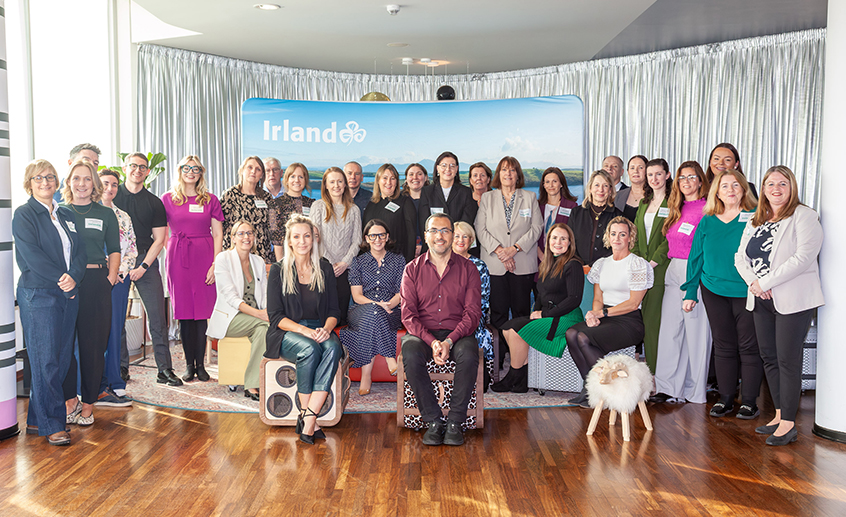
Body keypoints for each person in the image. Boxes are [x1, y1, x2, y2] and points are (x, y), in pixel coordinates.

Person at [735, 166, 824, 446]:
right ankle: (778, 414)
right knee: (769, 357)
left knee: (787, 359)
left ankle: (789, 424)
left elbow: (803, 257)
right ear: (762, 189)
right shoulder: (756, 220)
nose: (776, 189)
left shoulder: (804, 215)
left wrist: (766, 282)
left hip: (793, 298)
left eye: (782, 184)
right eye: (770, 184)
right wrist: (754, 283)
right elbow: (740, 257)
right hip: (761, 297)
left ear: (792, 187)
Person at [14, 160, 86, 445]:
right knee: (46, 361)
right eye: (38, 177)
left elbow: (80, 252)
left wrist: (74, 277)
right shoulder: (24, 215)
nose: (45, 182)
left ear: (57, 182)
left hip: (68, 293)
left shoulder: (66, 214)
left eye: (50, 177)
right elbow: (32, 257)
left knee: (60, 358)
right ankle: (53, 424)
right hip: (39, 295)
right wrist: (63, 278)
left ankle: (36, 419)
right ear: (29, 182)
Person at [682, 169, 762, 419]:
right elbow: (696, 257)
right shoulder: (707, 220)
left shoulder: (756, 217)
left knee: (749, 347)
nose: (730, 190)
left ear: (744, 190)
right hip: (713, 290)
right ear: (716, 191)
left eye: (735, 185)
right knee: (724, 346)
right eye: (724, 185)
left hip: (746, 290)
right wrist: (690, 291)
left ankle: (749, 401)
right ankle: (726, 398)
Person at [401, 213, 482, 446]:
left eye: (445, 230)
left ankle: (455, 422)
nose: (440, 236)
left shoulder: (468, 269)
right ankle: (434, 421)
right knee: (410, 352)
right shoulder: (412, 269)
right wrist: (432, 341)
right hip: (422, 332)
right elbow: (408, 315)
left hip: (458, 331)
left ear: (452, 235)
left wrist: (449, 340)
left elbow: (473, 313)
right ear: (425, 236)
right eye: (434, 230)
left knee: (468, 354)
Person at [265, 214, 343, 444]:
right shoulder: (279, 270)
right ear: (289, 241)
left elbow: (334, 310)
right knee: (309, 349)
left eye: (307, 236)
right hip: (287, 333)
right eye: (297, 236)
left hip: (320, 329)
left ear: (313, 239)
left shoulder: (325, 268)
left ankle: (308, 417)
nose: (302, 241)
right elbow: (275, 316)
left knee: (332, 348)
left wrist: (327, 330)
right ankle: (310, 419)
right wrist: (305, 331)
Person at [565, 217, 653, 408]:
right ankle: (592, 389)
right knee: (571, 333)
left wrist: (602, 314)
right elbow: (597, 298)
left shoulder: (637, 264)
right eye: (613, 234)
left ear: (630, 238)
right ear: (608, 237)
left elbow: (633, 302)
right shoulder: (602, 264)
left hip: (628, 322)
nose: (617, 238)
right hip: (605, 317)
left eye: (623, 234)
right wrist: (594, 316)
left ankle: (601, 391)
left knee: (583, 338)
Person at [60, 158, 120, 426]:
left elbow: (115, 250)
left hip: (96, 281)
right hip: (66, 283)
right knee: (63, 346)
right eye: (76, 178)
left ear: (94, 183)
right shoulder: (59, 212)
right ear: (68, 182)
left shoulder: (105, 213)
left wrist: (108, 279)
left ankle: (88, 405)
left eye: (87, 178)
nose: (81, 184)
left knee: (93, 346)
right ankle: (69, 400)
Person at [114, 153, 181, 386]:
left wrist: (143, 266)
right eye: (133, 165)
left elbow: (160, 239)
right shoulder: (112, 196)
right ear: (125, 168)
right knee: (117, 318)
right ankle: (120, 368)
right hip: (118, 261)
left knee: (157, 318)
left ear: (147, 172)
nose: (138, 170)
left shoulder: (154, 202)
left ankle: (165, 370)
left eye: (143, 167)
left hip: (146, 260)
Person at [492, 223, 584, 393]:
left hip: (567, 317)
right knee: (506, 328)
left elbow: (574, 300)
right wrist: (535, 313)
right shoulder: (548, 264)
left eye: (563, 239)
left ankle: (514, 377)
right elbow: (541, 295)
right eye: (554, 238)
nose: (558, 242)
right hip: (549, 314)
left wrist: (545, 314)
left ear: (570, 242)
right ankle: (522, 378)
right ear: (548, 242)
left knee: (515, 331)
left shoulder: (573, 264)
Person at [650, 161, 712, 405]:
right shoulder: (676, 206)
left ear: (700, 181)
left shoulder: (709, 208)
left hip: (695, 269)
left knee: (696, 332)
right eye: (682, 177)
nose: (686, 181)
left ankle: (695, 391)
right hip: (673, 268)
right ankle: (668, 388)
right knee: (670, 330)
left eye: (691, 177)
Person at [162, 155, 224, 382]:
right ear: (180, 171)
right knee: (185, 313)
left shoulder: (210, 199)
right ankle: (189, 365)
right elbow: (160, 232)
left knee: (201, 313)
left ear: (201, 172)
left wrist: (215, 263)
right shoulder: (167, 199)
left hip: (204, 257)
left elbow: (218, 233)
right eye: (187, 168)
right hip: (178, 257)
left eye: (196, 168)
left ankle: (201, 365)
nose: (191, 172)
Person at [476, 156, 543, 341]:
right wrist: (501, 252)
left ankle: (520, 359)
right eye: (504, 169)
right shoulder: (487, 198)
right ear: (498, 174)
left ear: (518, 174)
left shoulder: (530, 197)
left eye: (512, 170)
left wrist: (514, 249)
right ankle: (500, 356)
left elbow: (537, 227)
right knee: (498, 312)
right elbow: (480, 228)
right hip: (495, 265)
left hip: (522, 264)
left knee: (521, 312)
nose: (508, 173)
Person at [339, 220, 404, 395]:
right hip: (361, 309)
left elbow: (401, 292)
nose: (377, 239)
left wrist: (388, 305)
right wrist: (377, 304)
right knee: (373, 312)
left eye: (381, 235)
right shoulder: (358, 262)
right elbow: (357, 297)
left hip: (391, 309)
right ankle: (390, 358)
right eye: (373, 235)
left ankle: (366, 376)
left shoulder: (398, 261)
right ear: (367, 238)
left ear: (387, 236)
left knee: (375, 315)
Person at [207, 221, 269, 401]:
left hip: (255, 318)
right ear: (233, 238)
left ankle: (251, 384)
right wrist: (260, 315)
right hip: (230, 318)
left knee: (263, 329)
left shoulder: (258, 261)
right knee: (265, 323)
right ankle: (253, 382)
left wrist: (265, 310)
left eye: (250, 233)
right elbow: (231, 297)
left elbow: (264, 293)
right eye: (241, 233)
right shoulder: (223, 259)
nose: (246, 237)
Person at [94, 169, 137, 406]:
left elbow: (132, 249)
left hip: (119, 281)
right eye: (105, 183)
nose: (109, 188)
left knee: (114, 331)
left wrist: (119, 271)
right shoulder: (86, 212)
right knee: (94, 334)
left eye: (113, 185)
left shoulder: (123, 217)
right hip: (93, 281)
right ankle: (92, 385)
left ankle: (115, 383)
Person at [633, 158, 673, 372]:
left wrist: (653, 261)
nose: (654, 178)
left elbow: (671, 239)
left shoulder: (674, 202)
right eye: (650, 175)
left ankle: (658, 373)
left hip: (662, 269)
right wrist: (638, 262)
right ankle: (651, 371)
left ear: (667, 175)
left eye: (659, 174)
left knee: (655, 324)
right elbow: (637, 237)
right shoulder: (643, 203)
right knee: (646, 324)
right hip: (643, 270)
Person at [309, 167, 362, 326]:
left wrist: (344, 263)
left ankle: (342, 349)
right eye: (332, 182)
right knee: (322, 314)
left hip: (345, 270)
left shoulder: (353, 210)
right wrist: (330, 264)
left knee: (342, 315)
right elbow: (314, 238)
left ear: (345, 184)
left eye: (340, 181)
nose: (336, 185)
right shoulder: (317, 207)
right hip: (323, 268)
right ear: (325, 185)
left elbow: (357, 241)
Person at [451, 221, 494, 378]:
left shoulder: (479, 266)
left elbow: (483, 299)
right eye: (457, 236)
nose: (460, 240)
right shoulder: (441, 262)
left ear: (471, 241)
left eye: (465, 237)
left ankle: (477, 375)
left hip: (473, 314)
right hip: (446, 314)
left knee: (469, 326)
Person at [220, 156, 275, 264]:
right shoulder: (230, 195)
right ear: (242, 170)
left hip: (261, 255)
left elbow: (273, 228)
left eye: (258, 169)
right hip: (235, 255)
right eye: (250, 167)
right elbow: (219, 228)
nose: (253, 171)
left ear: (262, 175)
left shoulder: (267, 198)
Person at [418, 151, 477, 249]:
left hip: (458, 246)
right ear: (437, 168)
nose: (448, 169)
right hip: (435, 245)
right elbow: (424, 222)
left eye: (452, 166)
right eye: (444, 165)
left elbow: (466, 221)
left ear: (457, 169)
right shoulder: (427, 192)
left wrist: (454, 241)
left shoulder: (465, 192)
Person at [362, 163, 417, 262]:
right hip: (372, 262)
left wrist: (408, 262)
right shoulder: (371, 204)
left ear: (396, 182)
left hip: (397, 261)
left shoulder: (405, 202)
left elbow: (411, 235)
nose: (389, 182)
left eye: (393, 178)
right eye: (385, 178)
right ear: (378, 181)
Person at [568, 170, 623, 266]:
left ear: (610, 190)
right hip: (577, 268)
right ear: (590, 188)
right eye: (596, 185)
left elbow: (619, 247)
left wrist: (593, 266)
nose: (601, 190)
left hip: (606, 268)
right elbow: (569, 241)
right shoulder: (576, 213)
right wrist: (578, 265)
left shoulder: (618, 216)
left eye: (605, 186)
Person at [269, 162, 314, 261]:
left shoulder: (312, 204)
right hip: (286, 258)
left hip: (308, 258)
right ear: (287, 180)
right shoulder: (275, 204)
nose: (296, 180)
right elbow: (276, 238)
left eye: (301, 177)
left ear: (305, 180)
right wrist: (281, 265)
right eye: (292, 176)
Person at [537, 167, 578, 261]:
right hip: (540, 258)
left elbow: (573, 235)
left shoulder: (571, 206)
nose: (551, 185)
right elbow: (533, 235)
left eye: (554, 181)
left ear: (561, 184)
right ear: (543, 185)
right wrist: (541, 255)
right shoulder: (537, 206)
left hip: (563, 259)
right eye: (547, 182)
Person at [401, 163, 430, 257]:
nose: (415, 177)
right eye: (411, 174)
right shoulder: (399, 200)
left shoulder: (433, 199)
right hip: (403, 250)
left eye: (419, 174)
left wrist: (422, 245)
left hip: (429, 250)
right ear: (406, 178)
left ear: (426, 178)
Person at [615, 155, 648, 221]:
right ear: (628, 172)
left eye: (640, 168)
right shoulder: (617, 196)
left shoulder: (654, 196)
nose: (636, 171)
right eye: (632, 168)